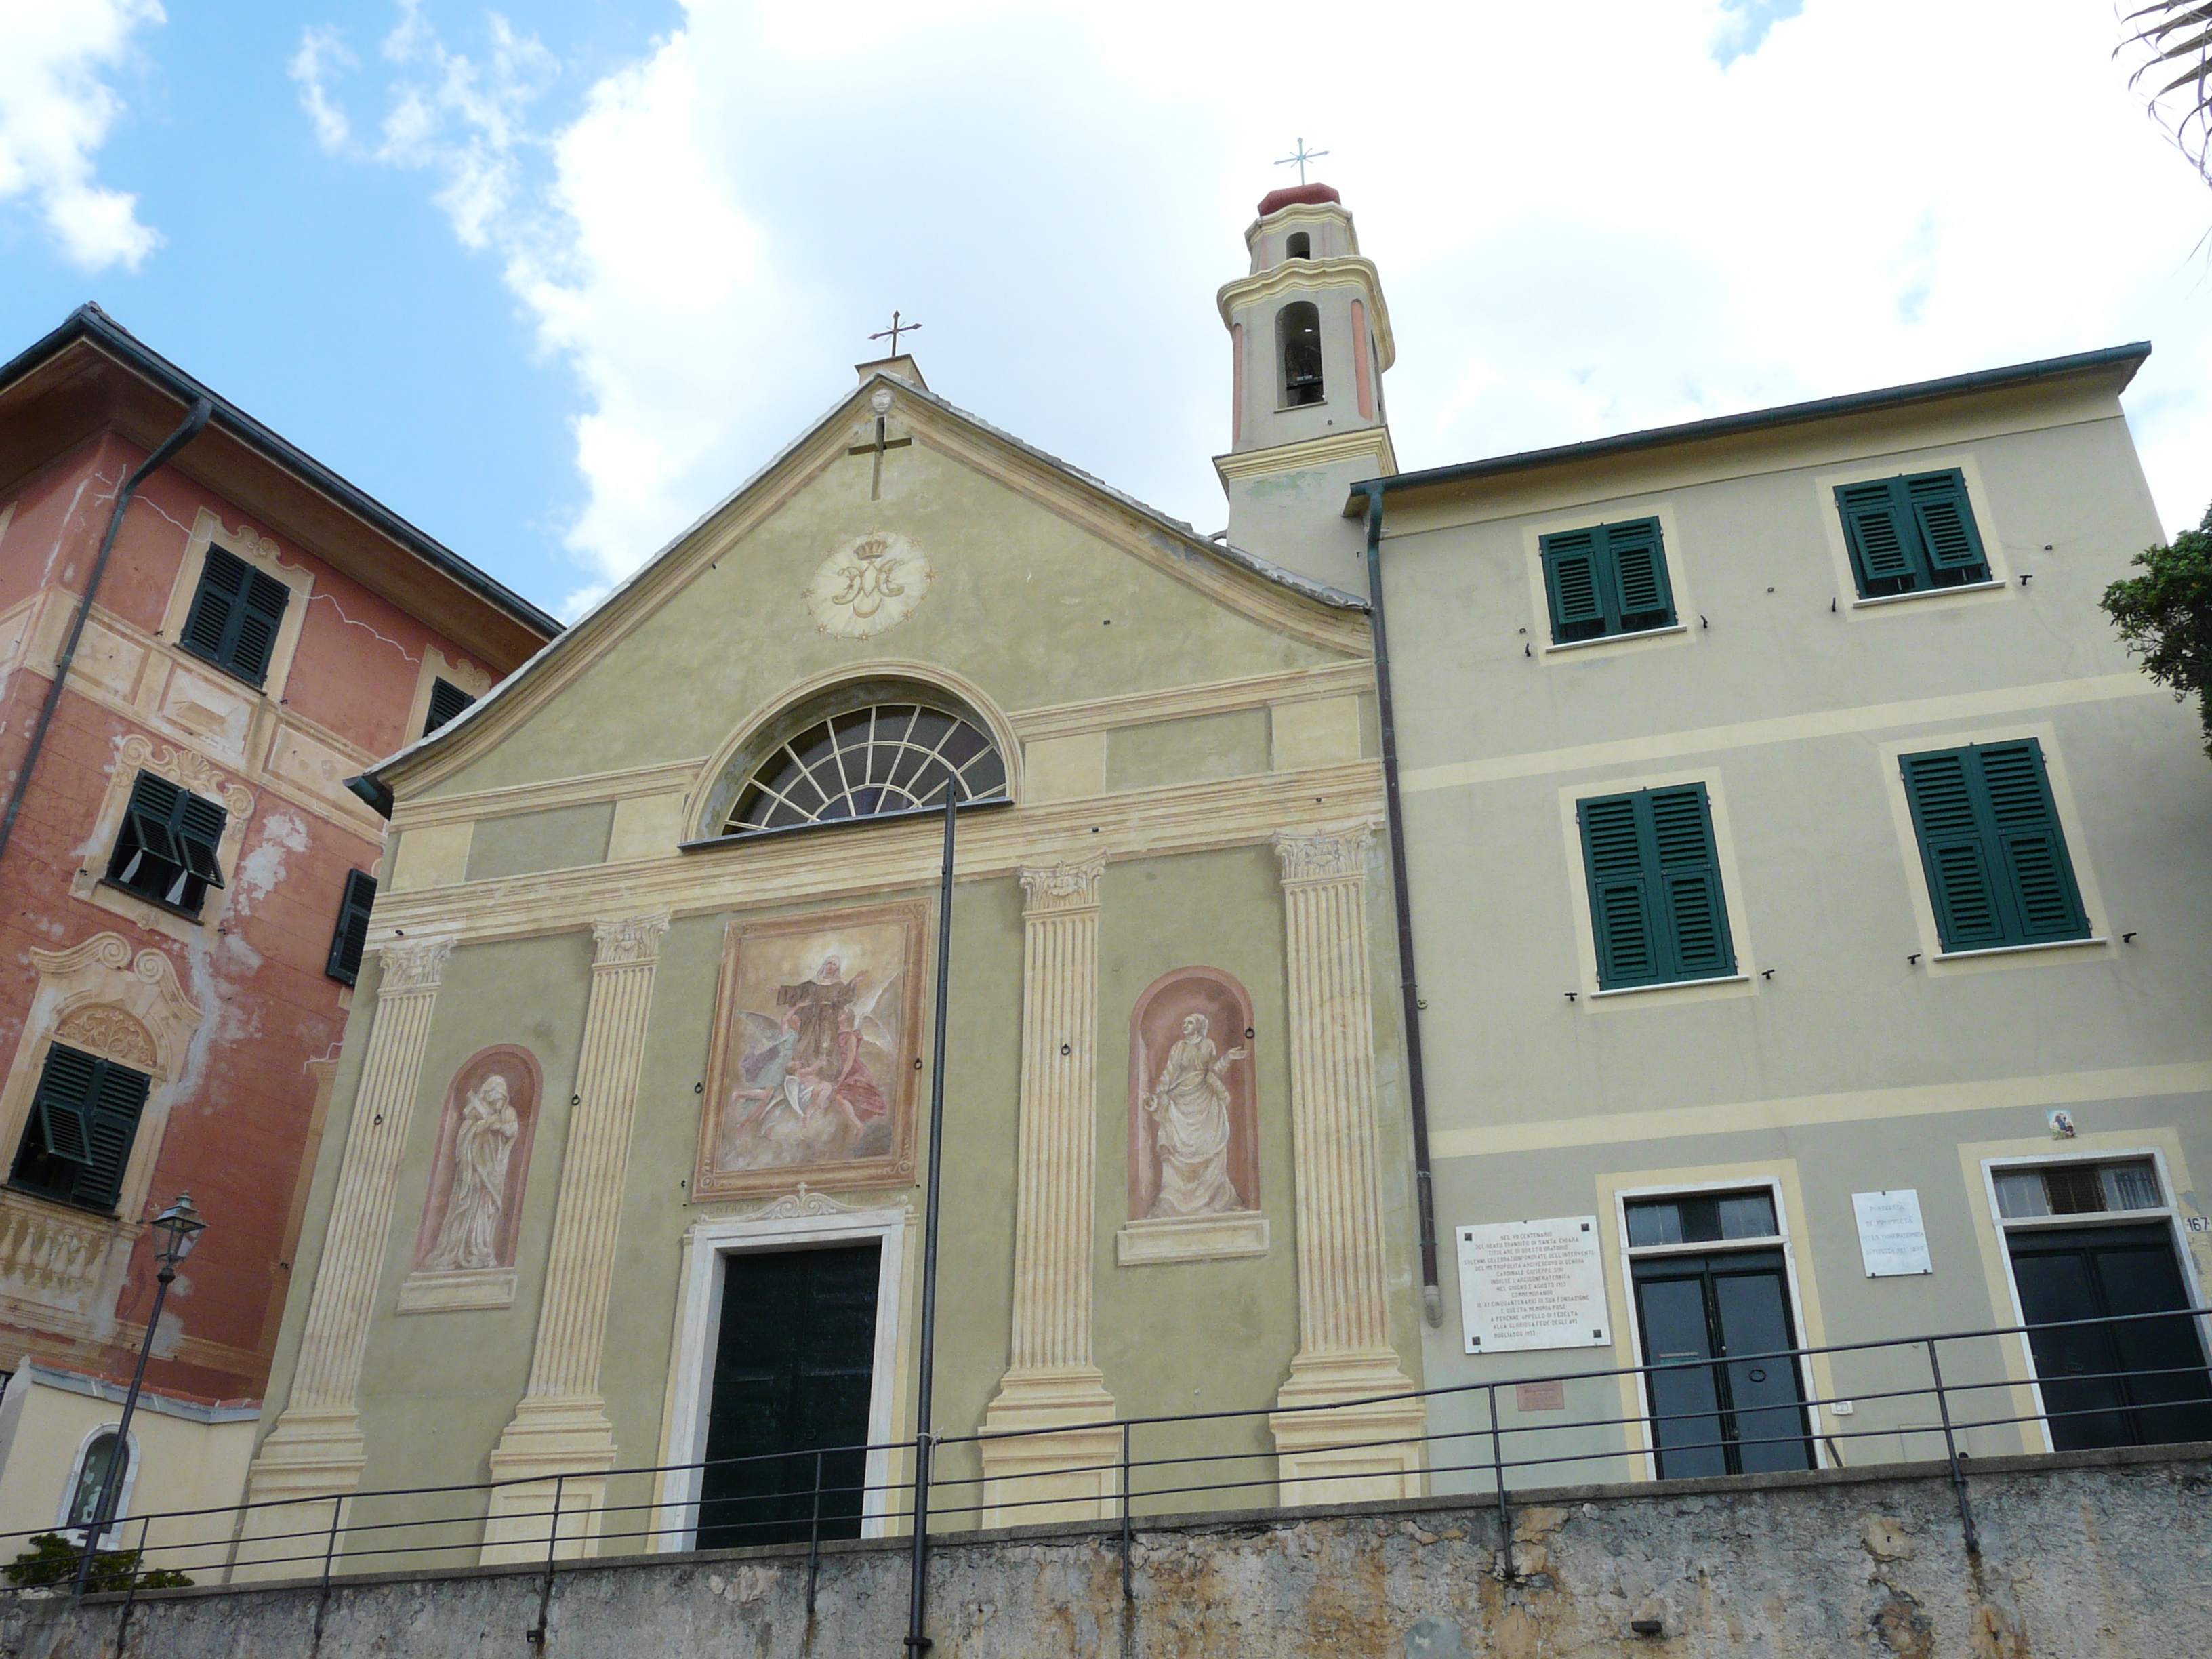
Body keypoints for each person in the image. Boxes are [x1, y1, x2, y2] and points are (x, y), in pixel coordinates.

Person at [1142, 1013, 1246, 1217]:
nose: (1185, 1025)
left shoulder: (1208, 1045)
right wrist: (1160, 1093)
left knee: (1209, 1145)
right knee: (1175, 1148)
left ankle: (1215, 1199)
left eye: (1189, 1022)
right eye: (1184, 1022)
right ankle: (1174, 1202)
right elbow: (1170, 1072)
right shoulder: (1178, 1048)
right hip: (1181, 1100)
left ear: (1198, 1026)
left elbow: (1213, 1070)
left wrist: (1227, 1059)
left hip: (1205, 1101)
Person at [425, 1073, 520, 1271]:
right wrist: (481, 1127)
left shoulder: (507, 1113)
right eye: (496, 1099)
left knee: (487, 1209)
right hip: (472, 1173)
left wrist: (500, 1127)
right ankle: (456, 1249)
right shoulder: (475, 1114)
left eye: (501, 1100)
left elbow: (513, 1131)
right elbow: (463, 1139)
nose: (498, 1104)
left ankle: (481, 1249)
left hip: (493, 1170)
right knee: (466, 1206)